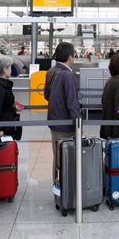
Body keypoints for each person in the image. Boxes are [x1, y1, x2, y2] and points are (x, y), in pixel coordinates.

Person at [44, 42, 81, 179]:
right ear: (70, 57)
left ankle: (58, 188)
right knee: (68, 160)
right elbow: (72, 103)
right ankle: (68, 191)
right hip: (66, 126)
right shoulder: (67, 75)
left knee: (57, 158)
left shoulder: (51, 72)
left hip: (54, 122)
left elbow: (47, 95)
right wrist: (78, 124)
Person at [0, 56, 22, 139]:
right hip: (2, 130)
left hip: (6, 126)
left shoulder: (2, 84)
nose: (11, 70)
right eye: (10, 67)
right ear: (5, 69)